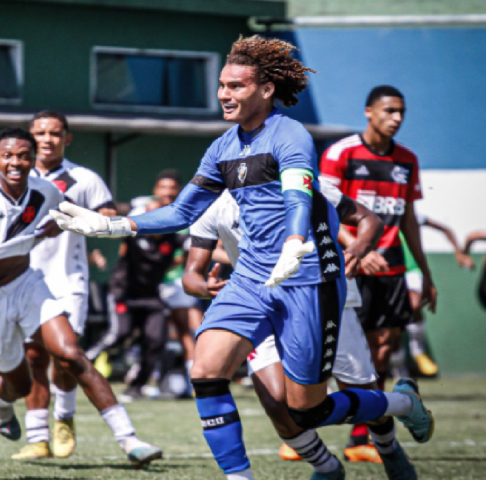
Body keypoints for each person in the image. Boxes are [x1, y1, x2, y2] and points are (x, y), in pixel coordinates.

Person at [51, 35, 434, 480]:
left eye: (235, 86)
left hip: (309, 278)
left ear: (266, 89)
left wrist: (294, 242)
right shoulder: (223, 147)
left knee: (305, 410)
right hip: (252, 278)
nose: (223, 95)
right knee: (206, 370)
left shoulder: (291, 135)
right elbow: (181, 212)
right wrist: (112, 225)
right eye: (221, 85)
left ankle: (403, 402)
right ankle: (240, 477)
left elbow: (296, 194)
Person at [0, 127, 162, 467]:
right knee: (19, 383)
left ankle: (129, 439)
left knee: (70, 353)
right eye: (8, 156)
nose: (16, 162)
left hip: (28, 283)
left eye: (24, 155)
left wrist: (68, 222)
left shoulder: (47, 191)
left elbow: (76, 214)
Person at [183, 186, 421, 479]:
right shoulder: (212, 205)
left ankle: (390, 444)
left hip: (324, 299)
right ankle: (327, 467)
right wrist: (201, 285)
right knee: (276, 402)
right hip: (259, 302)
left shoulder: (303, 184)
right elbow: (191, 273)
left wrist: (357, 249)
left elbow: (367, 219)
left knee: (354, 392)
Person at [319, 85, 437, 456]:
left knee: (383, 351)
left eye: (401, 112)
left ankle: (364, 434)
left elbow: (409, 220)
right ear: (369, 111)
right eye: (389, 111)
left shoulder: (407, 160)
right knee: (348, 353)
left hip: (392, 268)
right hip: (349, 267)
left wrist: (428, 274)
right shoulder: (341, 153)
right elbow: (322, 208)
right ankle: (303, 428)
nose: (397, 118)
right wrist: (359, 247)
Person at [7, 110, 121, 460]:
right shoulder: (12, 177)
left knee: (67, 356)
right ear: (29, 137)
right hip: (24, 278)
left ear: (66, 138)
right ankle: (38, 437)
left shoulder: (82, 178)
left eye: (55, 133)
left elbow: (111, 216)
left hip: (67, 278)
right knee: (33, 356)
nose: (47, 139)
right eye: (39, 133)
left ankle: (64, 419)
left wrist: (71, 220)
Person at [85, 200, 183, 402]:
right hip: (124, 293)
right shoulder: (133, 233)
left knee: (156, 340)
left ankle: (136, 387)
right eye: (152, 214)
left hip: (151, 296)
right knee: (119, 333)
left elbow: (203, 244)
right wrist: (108, 209)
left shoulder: (174, 238)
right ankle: (79, 365)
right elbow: (117, 215)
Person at [128, 170, 199, 388]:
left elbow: (187, 255)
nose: (168, 192)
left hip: (174, 282)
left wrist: (162, 263)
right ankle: (146, 376)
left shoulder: (186, 214)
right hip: (146, 286)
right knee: (145, 333)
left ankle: (195, 381)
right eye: (163, 187)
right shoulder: (145, 210)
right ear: (155, 190)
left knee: (190, 329)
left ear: (178, 190)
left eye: (172, 188)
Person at [399, 215, 473, 377]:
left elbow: (445, 228)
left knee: (414, 305)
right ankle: (397, 369)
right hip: (383, 269)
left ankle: (417, 350)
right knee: (390, 324)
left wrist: (459, 252)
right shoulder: (372, 211)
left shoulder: (410, 213)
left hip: (412, 269)